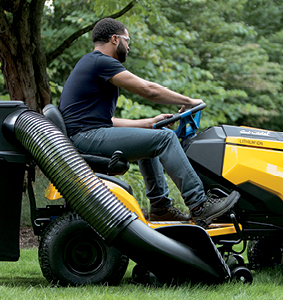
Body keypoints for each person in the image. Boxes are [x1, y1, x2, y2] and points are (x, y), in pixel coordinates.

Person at [59, 18, 239, 227]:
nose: (129, 47)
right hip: (86, 137)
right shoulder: (101, 61)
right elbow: (148, 90)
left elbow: (105, 122)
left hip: (86, 136)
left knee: (155, 133)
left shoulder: (91, 62)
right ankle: (200, 206)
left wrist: (149, 122)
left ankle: (161, 208)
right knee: (166, 139)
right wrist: (189, 101)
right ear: (115, 39)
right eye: (127, 41)